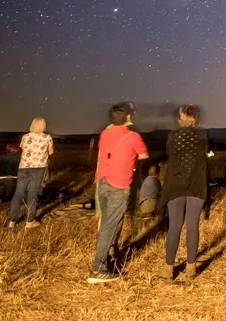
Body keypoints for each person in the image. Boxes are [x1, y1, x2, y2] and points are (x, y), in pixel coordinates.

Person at [88, 103, 149, 284]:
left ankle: (109, 256)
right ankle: (97, 269)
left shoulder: (104, 134)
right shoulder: (133, 136)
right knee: (110, 225)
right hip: (119, 184)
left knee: (108, 223)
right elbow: (144, 155)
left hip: (102, 182)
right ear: (128, 117)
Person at [160, 105, 209, 282]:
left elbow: (170, 154)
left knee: (175, 226)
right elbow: (205, 155)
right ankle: (190, 268)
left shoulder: (173, 136)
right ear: (196, 119)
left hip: (176, 184)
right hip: (196, 184)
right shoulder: (203, 135)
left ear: (181, 118)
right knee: (192, 226)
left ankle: (168, 270)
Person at [7, 117, 54, 229]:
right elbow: (51, 152)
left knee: (18, 193)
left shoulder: (25, 137)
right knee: (33, 194)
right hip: (38, 168)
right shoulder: (47, 137)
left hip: (24, 167)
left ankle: (12, 221)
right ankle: (30, 221)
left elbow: (23, 148)